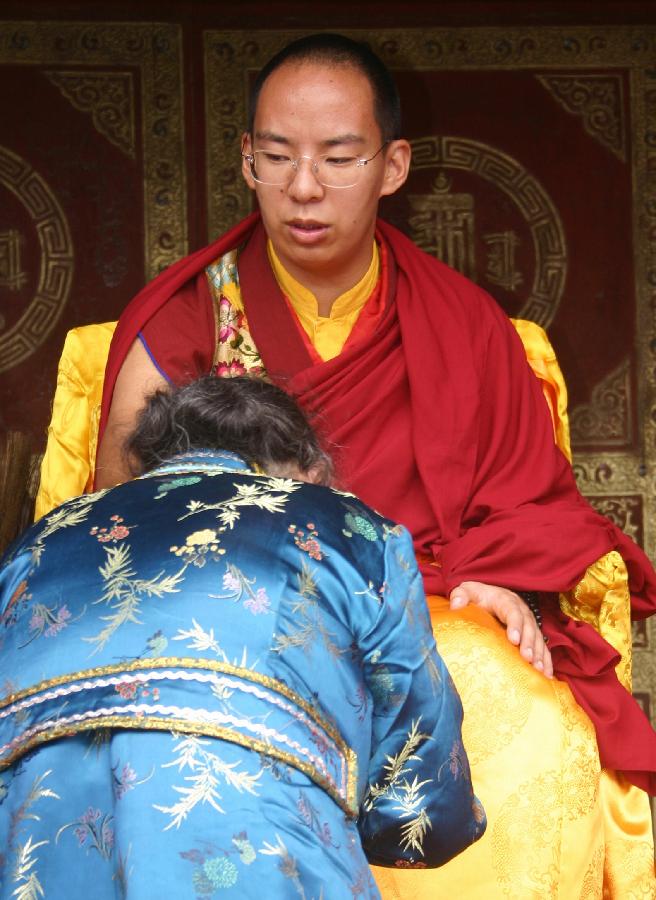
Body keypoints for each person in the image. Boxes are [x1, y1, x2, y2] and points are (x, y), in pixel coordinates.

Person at [38, 32, 656, 896]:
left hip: (428, 608)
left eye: (337, 157)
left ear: (393, 165)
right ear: (247, 160)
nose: (303, 187)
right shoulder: (185, 321)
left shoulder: (464, 324)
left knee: (532, 729)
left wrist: (497, 577)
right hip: (234, 629)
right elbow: (126, 527)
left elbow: (531, 505)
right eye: (278, 156)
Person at [0, 376, 485, 899]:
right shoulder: (349, 525)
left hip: (34, 835)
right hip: (259, 829)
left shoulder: (44, 535)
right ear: (313, 473)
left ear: (145, 466)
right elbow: (418, 772)